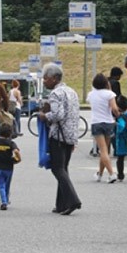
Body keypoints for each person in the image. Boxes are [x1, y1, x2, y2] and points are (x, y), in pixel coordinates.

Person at [38, 63, 82, 215]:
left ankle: (73, 201)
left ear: (55, 78)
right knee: (64, 168)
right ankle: (61, 204)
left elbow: (58, 115)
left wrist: (44, 116)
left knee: (57, 168)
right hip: (70, 135)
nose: (44, 81)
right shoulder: (72, 91)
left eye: (46, 78)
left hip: (58, 135)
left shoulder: (56, 94)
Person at [86, 73, 120, 183]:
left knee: (103, 150)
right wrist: (118, 115)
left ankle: (111, 174)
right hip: (109, 123)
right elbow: (114, 108)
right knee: (106, 150)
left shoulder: (91, 94)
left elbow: (90, 99)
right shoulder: (110, 94)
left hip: (97, 123)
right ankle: (100, 174)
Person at [0, 122, 21, 211]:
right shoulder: (11, 143)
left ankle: (3, 202)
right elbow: (16, 151)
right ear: (10, 133)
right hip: (9, 168)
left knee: (0, 185)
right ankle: (6, 198)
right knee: (7, 184)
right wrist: (19, 159)